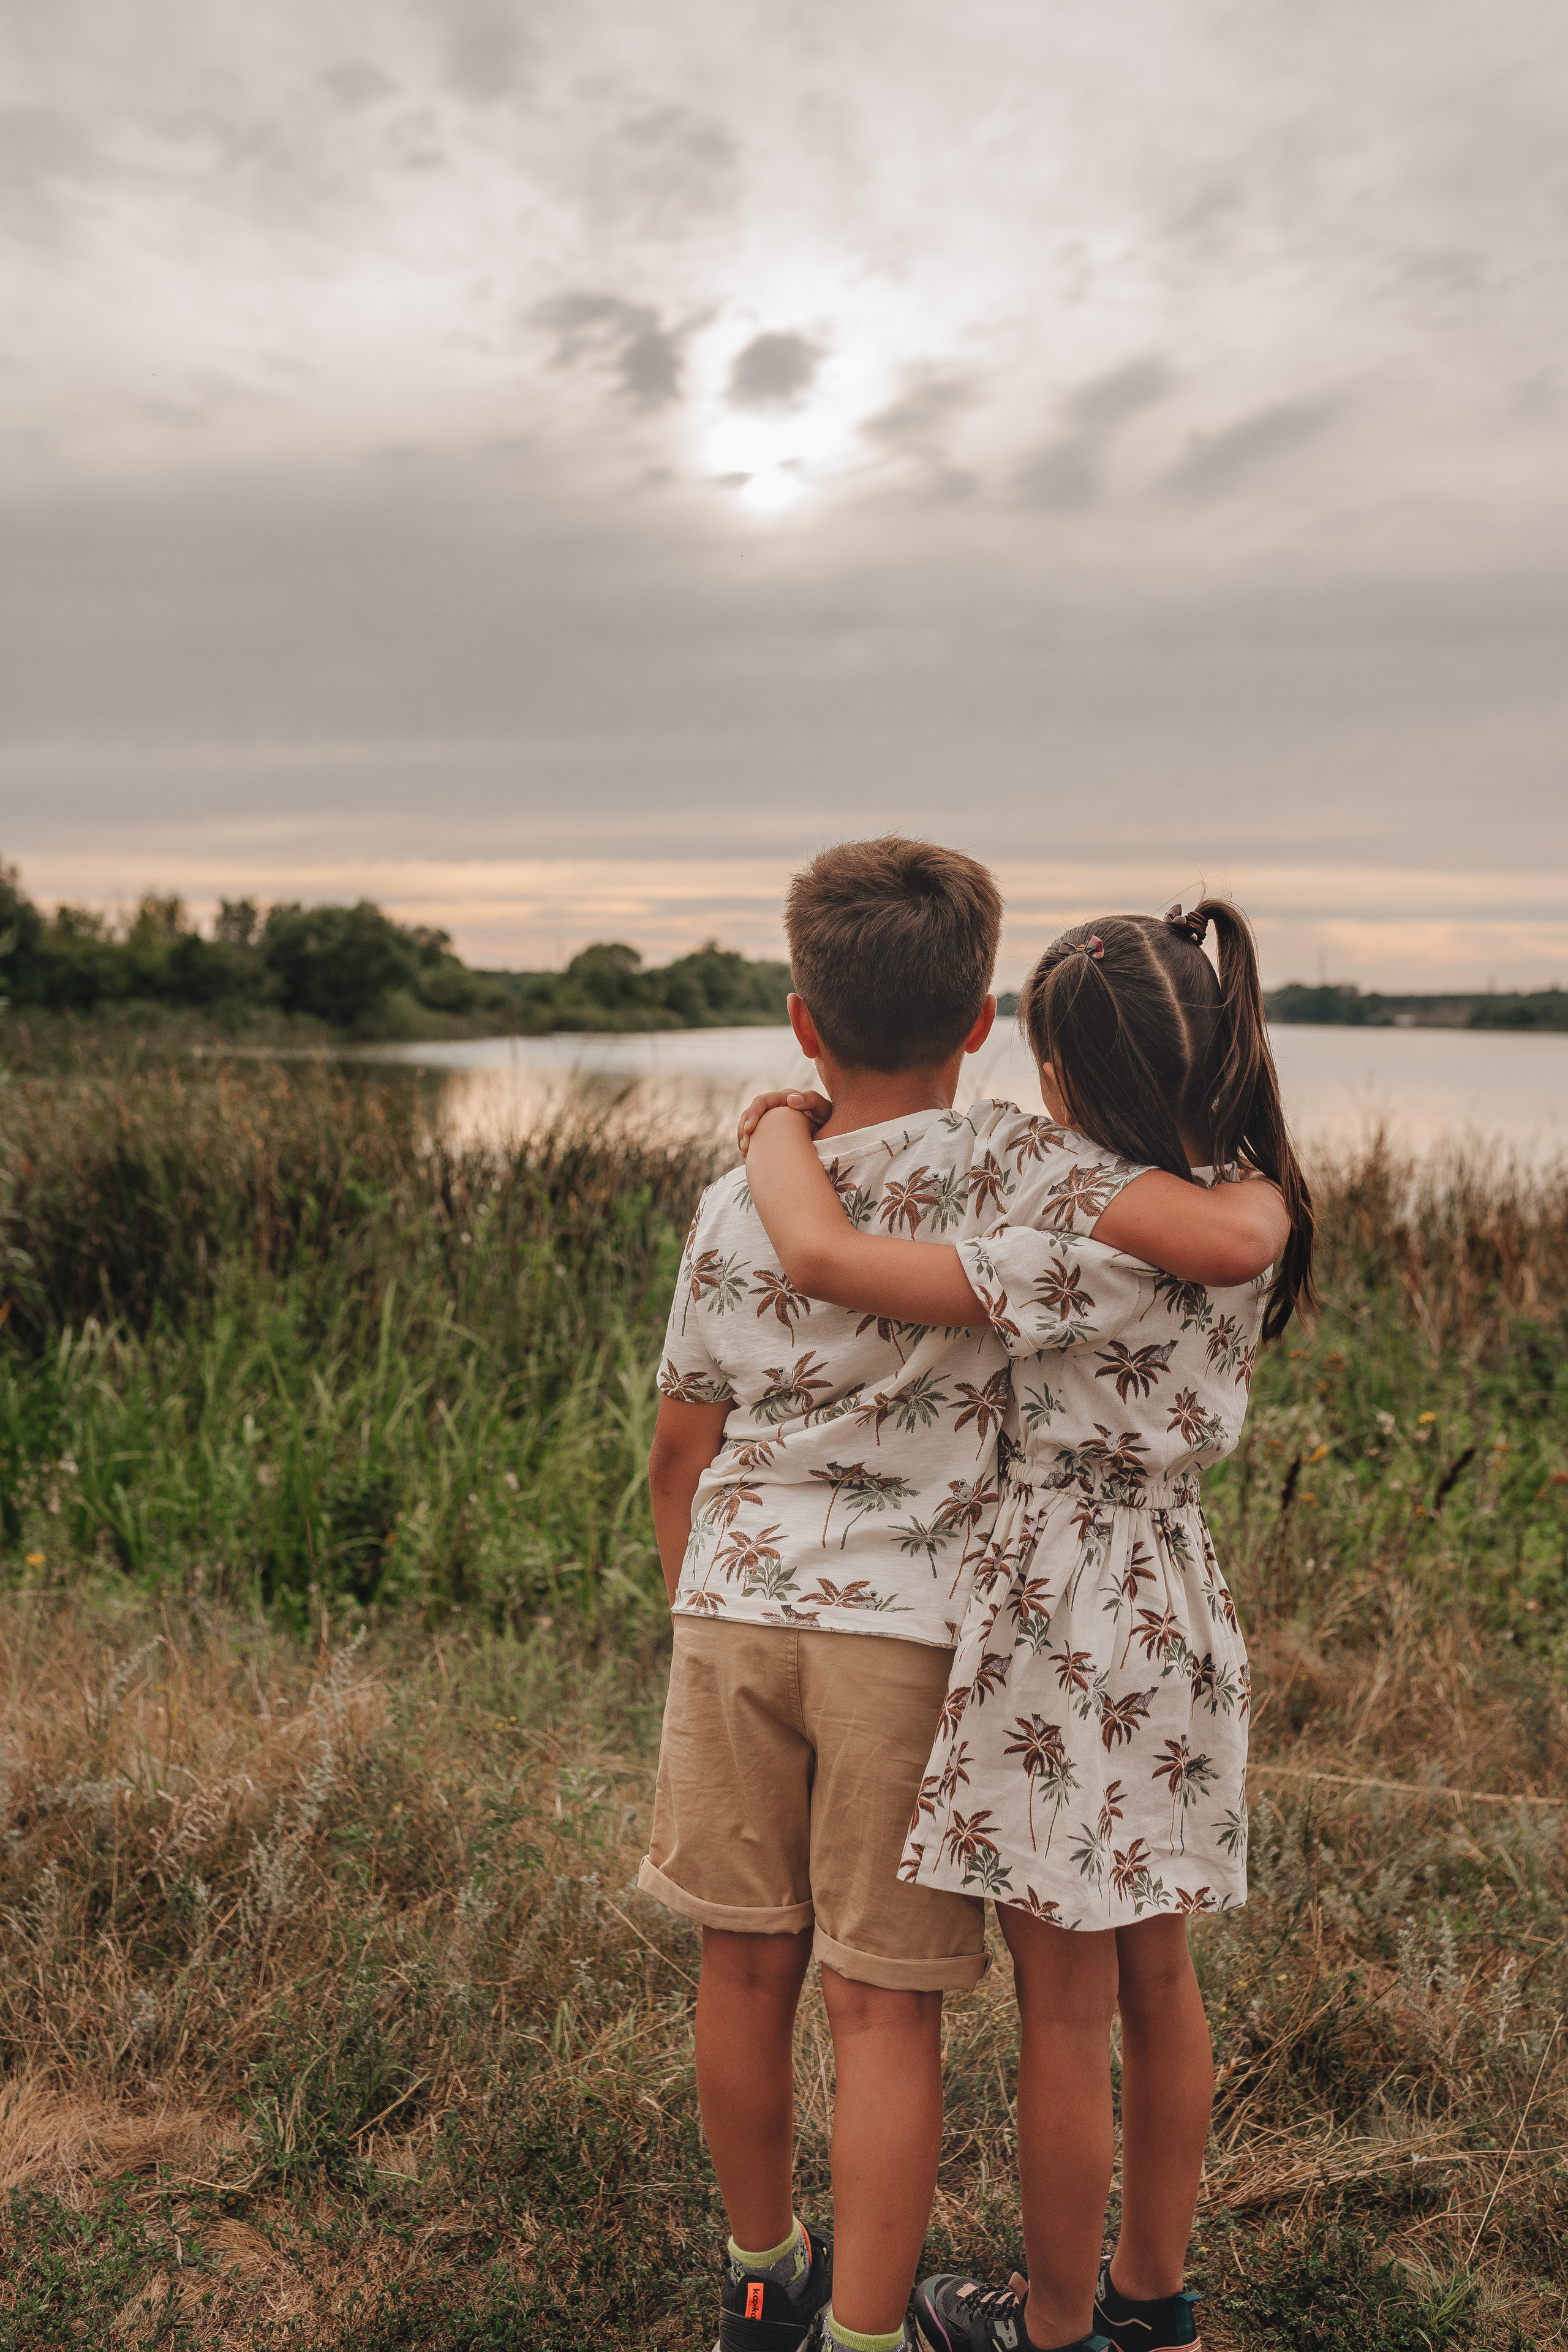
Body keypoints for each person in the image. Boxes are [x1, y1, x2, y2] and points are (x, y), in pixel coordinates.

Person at [644, 840, 1286, 2352]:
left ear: (805, 1018)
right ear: (982, 1023)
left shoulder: (792, 1211)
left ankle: (800, 2284)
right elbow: (1229, 1228)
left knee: (779, 1971)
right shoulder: (1052, 1177)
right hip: (1023, 1623)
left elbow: (712, 1397)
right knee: (930, 2001)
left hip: (872, 1612)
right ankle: (980, 2324)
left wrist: (771, 1129)